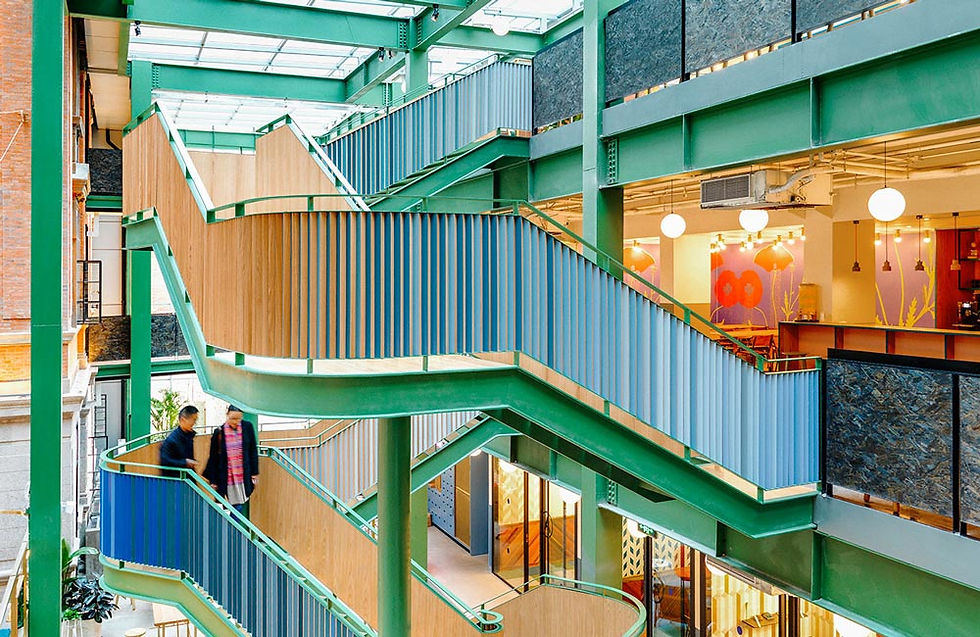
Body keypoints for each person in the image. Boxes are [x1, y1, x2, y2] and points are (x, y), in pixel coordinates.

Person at [203, 404, 259, 517]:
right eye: (233, 418)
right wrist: (213, 480)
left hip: (242, 476)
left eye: (238, 418)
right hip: (226, 476)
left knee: (238, 506)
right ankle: (231, 531)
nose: (235, 422)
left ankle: (233, 531)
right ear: (227, 415)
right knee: (226, 508)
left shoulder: (247, 427)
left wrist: (255, 473)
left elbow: (252, 450)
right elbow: (213, 457)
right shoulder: (219, 432)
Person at [159, 405, 200, 478]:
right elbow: (165, 461)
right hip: (175, 482)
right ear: (183, 420)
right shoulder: (171, 440)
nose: (194, 423)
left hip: (187, 478)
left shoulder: (189, 436)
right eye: (193, 420)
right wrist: (185, 462)